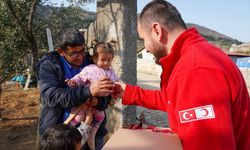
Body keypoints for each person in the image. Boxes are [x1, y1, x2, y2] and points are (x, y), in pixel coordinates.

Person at [115, 0, 250, 150]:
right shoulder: (193, 57)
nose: (145, 48)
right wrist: (128, 92)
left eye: (143, 39)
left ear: (157, 31)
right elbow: (173, 100)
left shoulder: (195, 70)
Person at [36, 28, 114, 150]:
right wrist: (87, 92)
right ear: (61, 51)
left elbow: (107, 95)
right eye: (74, 53)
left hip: (92, 131)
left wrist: (98, 102)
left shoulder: (92, 61)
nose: (80, 57)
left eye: (82, 51)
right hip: (63, 136)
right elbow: (52, 96)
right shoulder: (49, 66)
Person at [65, 42, 119, 150]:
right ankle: (67, 131)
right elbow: (81, 77)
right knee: (80, 117)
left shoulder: (111, 71)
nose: (106, 63)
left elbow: (115, 84)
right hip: (87, 102)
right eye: (103, 59)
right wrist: (74, 82)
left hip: (100, 104)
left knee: (100, 117)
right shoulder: (90, 69)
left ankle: (92, 136)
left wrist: (114, 97)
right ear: (95, 58)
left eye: (109, 60)